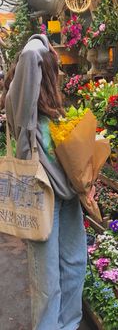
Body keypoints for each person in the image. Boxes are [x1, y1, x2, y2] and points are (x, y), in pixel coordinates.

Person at [2, 34, 87, 330]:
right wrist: (42, 40)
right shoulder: (22, 110)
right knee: (47, 279)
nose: (60, 73)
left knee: (75, 264)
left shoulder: (51, 113)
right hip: (41, 197)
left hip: (68, 197)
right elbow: (29, 57)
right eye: (56, 67)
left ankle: (70, 323)